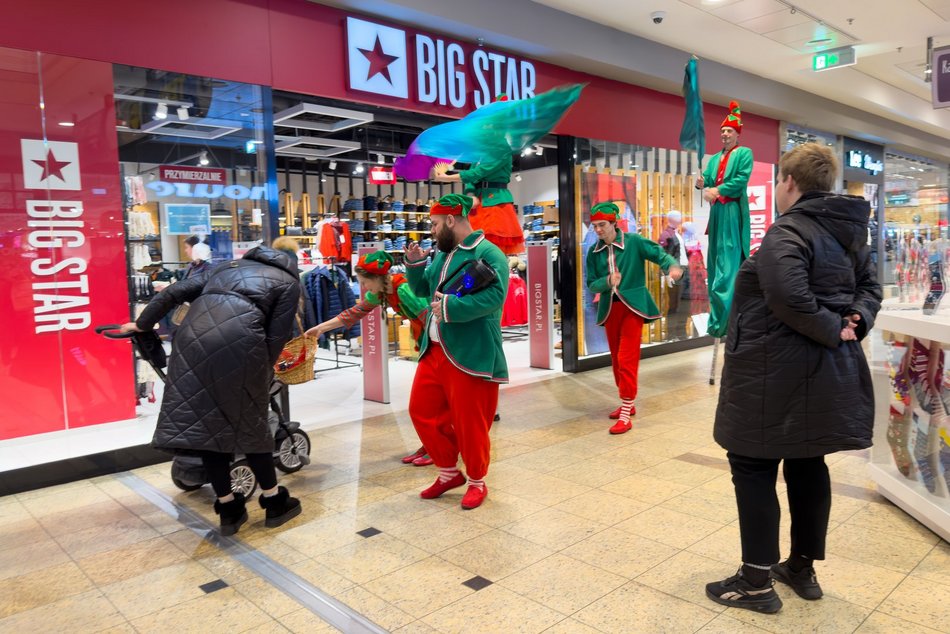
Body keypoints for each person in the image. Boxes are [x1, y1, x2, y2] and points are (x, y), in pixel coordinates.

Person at [705, 143, 882, 613]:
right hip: (821, 374)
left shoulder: (788, 233)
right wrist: (854, 323)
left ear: (788, 182)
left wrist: (835, 326)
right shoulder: (848, 233)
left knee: (753, 467)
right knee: (807, 465)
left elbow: (788, 297)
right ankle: (800, 568)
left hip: (771, 377)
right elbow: (870, 288)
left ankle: (757, 583)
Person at [120, 245, 304, 536]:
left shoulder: (224, 269)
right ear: (290, 264)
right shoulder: (288, 283)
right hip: (242, 343)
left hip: (192, 340)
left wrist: (142, 324)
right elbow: (277, 335)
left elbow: (172, 293)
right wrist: (262, 372)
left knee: (206, 426)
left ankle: (228, 507)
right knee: (251, 423)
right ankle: (273, 501)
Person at [403, 193, 509, 510]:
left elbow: (496, 297)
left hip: (470, 350)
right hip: (434, 350)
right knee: (421, 411)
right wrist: (413, 263)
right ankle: (449, 472)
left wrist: (450, 307)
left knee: (470, 423)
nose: (431, 230)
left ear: (451, 220)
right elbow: (422, 289)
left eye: (435, 224)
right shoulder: (442, 253)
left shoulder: (490, 253)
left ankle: (477, 480)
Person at [305, 250, 434, 466]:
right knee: (425, 404)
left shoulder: (402, 289)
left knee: (427, 403)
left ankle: (439, 448)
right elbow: (355, 312)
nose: (363, 288)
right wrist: (320, 328)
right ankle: (431, 445)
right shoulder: (384, 292)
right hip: (425, 345)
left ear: (378, 279)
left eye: (365, 282)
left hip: (435, 347)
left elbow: (430, 319)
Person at [585, 202, 683, 434]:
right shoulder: (593, 252)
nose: (598, 230)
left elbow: (659, 254)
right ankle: (626, 403)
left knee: (627, 358)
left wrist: (672, 267)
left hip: (633, 309)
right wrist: (607, 282)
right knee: (617, 361)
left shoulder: (634, 241)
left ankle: (626, 412)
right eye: (595, 225)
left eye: (602, 225)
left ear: (613, 223)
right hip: (611, 309)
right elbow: (592, 284)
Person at [695, 100, 753, 339]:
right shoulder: (714, 158)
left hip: (731, 211)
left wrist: (717, 191)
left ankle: (728, 317)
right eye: (722, 131)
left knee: (728, 264)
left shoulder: (744, 153)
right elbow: (708, 180)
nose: (725, 134)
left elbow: (740, 180)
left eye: (729, 131)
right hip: (716, 214)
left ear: (737, 133)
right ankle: (718, 318)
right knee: (716, 260)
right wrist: (702, 183)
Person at [658, 210, 690, 339]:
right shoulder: (666, 235)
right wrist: (667, 274)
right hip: (675, 271)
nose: (681, 217)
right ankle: (671, 334)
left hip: (684, 270)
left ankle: (681, 333)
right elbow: (663, 256)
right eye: (678, 216)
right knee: (674, 304)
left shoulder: (678, 233)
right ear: (671, 219)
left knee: (684, 303)